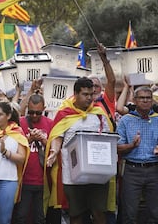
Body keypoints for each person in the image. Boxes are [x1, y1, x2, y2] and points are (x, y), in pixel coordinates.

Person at [46, 77, 114, 224]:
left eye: (91, 94)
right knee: (75, 214)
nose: (89, 98)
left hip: (98, 174)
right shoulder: (65, 114)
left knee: (99, 213)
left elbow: (108, 140)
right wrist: (54, 151)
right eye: (85, 94)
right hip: (73, 175)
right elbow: (57, 136)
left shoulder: (98, 114)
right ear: (75, 94)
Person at [117, 86, 158, 224]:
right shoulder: (125, 120)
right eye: (142, 98)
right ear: (134, 100)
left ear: (152, 100)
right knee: (130, 212)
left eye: (148, 98)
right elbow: (117, 147)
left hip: (154, 169)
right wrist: (132, 145)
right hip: (132, 170)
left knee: (156, 211)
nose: (145, 101)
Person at [13, 93, 53, 224]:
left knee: (40, 218)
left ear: (44, 109)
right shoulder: (20, 123)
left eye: (38, 113)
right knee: (21, 216)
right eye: (31, 112)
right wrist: (29, 139)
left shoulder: (50, 124)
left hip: (43, 180)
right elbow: (12, 147)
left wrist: (43, 140)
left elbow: (55, 150)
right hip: (24, 179)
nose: (34, 116)